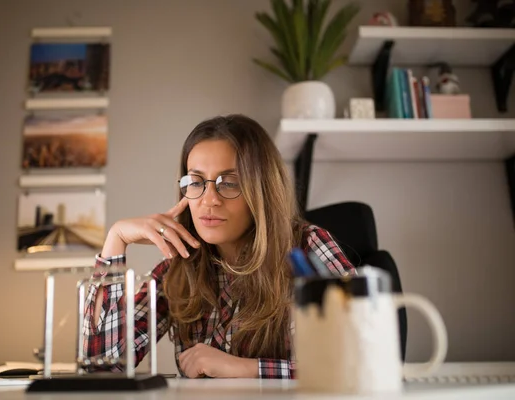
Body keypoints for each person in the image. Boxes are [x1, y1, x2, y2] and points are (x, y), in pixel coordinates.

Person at [83, 114, 355, 379]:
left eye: (230, 183)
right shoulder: (177, 269)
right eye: (196, 182)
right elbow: (101, 368)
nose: (209, 199)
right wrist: (115, 241)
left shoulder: (306, 248)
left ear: (261, 190)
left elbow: (358, 360)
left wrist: (245, 368)